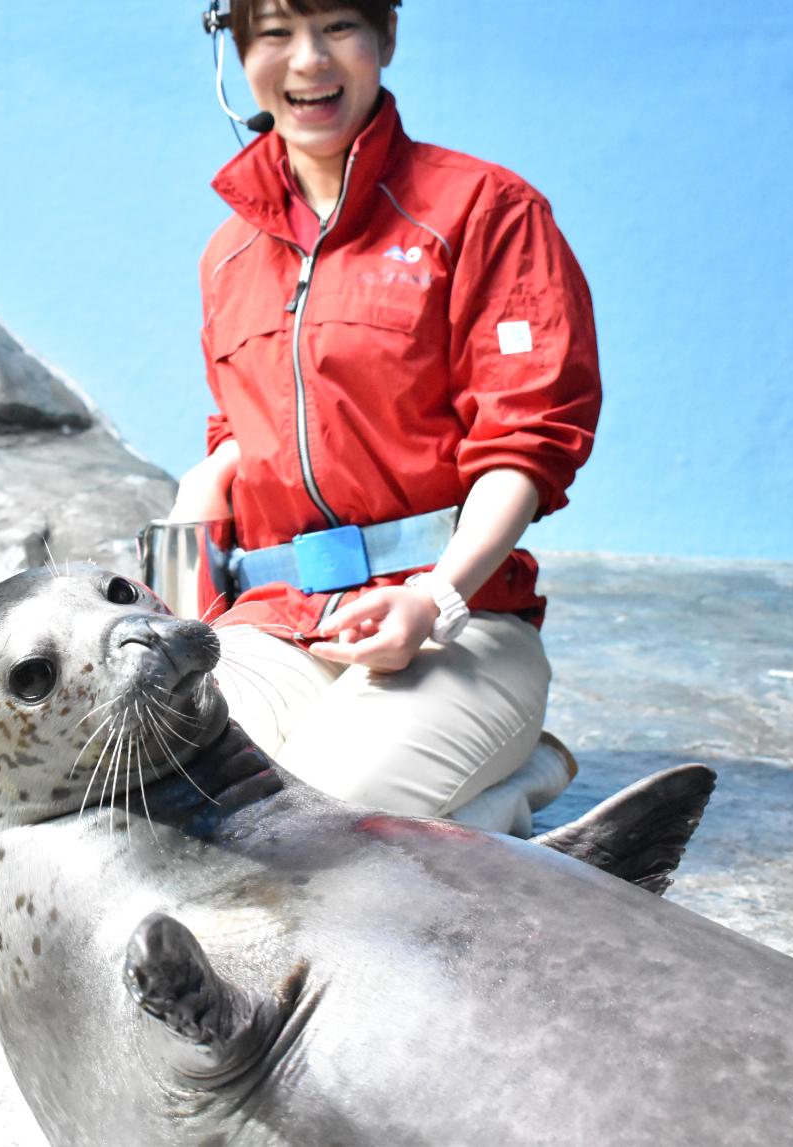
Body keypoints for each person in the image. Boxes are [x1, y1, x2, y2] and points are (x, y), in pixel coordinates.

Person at [170, 0, 601, 836]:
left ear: (384, 39)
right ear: (236, 51)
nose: (307, 63)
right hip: (276, 624)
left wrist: (437, 599)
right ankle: (482, 792)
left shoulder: (485, 210)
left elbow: (524, 445)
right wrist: (200, 495)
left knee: (301, 829)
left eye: (337, 27)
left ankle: (501, 782)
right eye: (273, 34)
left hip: (453, 619)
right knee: (163, 809)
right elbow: (242, 438)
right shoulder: (226, 256)